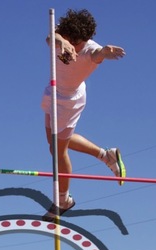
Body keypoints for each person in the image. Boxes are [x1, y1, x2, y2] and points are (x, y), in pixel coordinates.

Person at [41, 8, 126, 221]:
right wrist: (61, 41)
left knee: (58, 153)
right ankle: (105, 155)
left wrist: (105, 52)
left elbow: (98, 55)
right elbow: (51, 36)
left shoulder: (91, 51)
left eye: (76, 42)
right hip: (52, 92)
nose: (73, 46)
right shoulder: (63, 36)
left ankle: (64, 200)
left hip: (69, 101)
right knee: (54, 146)